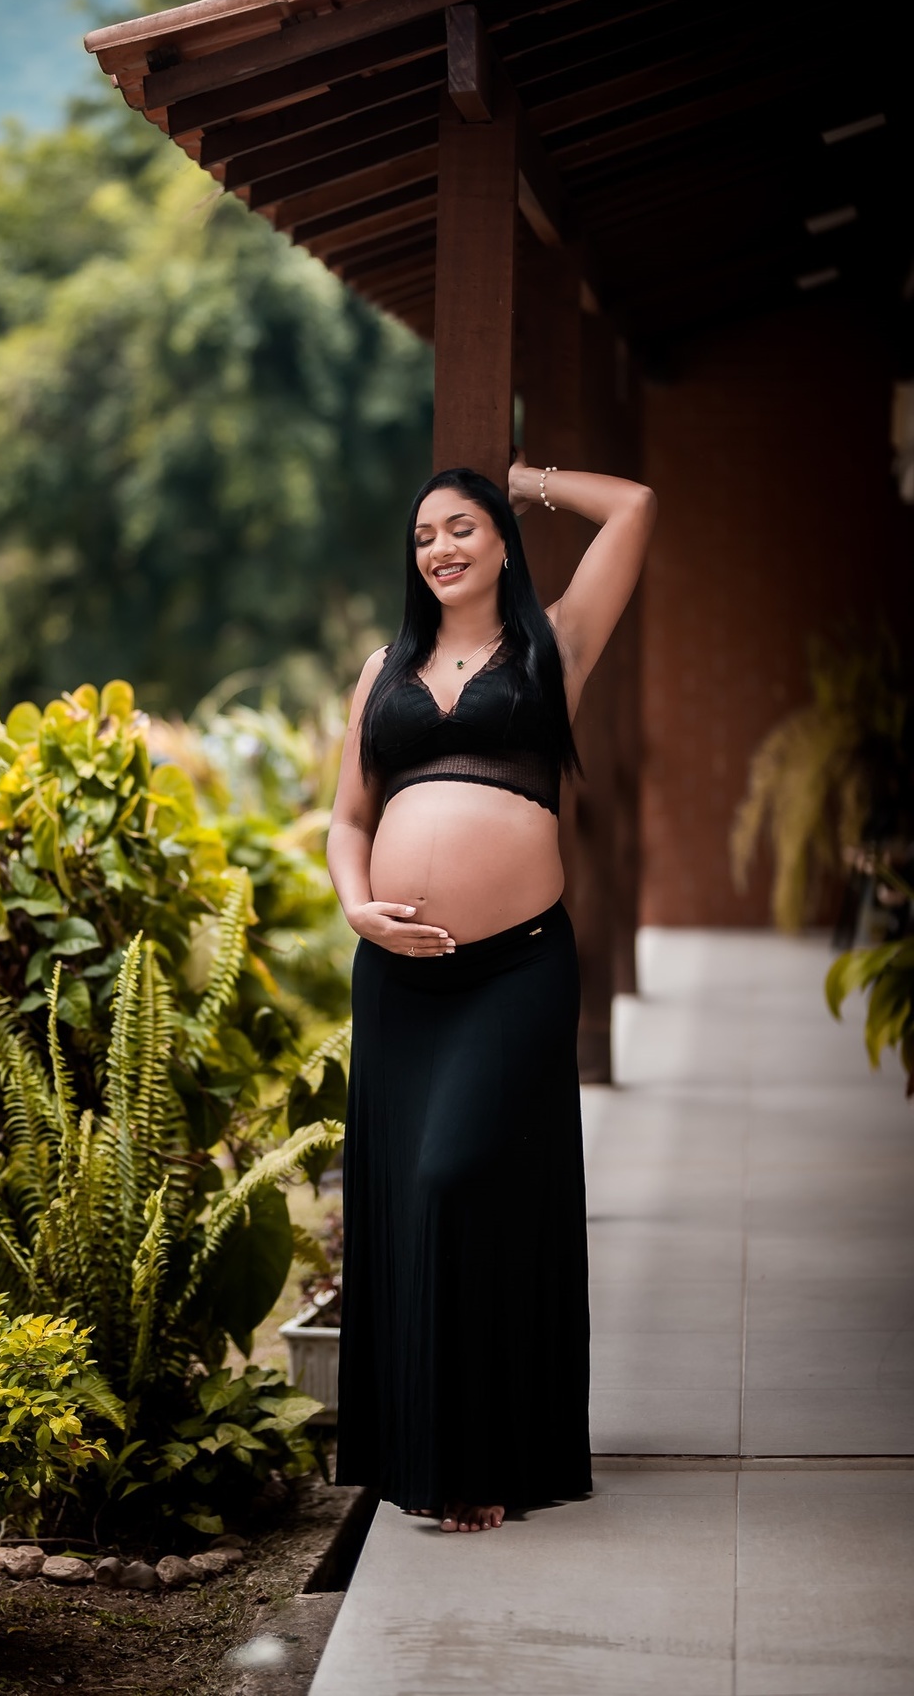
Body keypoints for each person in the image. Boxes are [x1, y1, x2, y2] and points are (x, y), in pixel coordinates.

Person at [326, 456, 655, 1534]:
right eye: (424, 536)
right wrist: (356, 907)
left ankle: (489, 1445)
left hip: (516, 966)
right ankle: (442, 1459)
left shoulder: (553, 646)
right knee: (414, 1200)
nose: (441, 548)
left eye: (463, 526)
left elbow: (638, 509)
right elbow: (348, 820)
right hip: (402, 979)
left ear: (503, 542)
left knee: (462, 1173)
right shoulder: (384, 670)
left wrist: (529, 477)